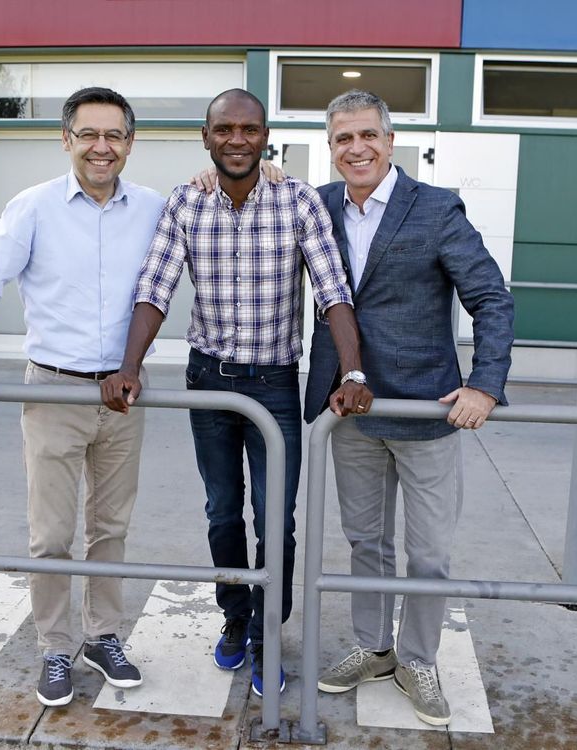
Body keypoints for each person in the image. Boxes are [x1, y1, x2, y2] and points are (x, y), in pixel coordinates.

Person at [100, 88, 371, 697]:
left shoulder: (298, 201)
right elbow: (155, 288)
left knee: (276, 520)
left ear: (265, 136)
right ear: (206, 136)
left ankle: (268, 634)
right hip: (209, 384)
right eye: (225, 130)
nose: (237, 140)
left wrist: (353, 371)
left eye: (249, 129)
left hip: (274, 385)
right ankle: (234, 618)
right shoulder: (186, 204)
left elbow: (333, 293)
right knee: (223, 512)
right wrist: (129, 366)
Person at [0, 87, 165, 709]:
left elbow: (215, 211)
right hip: (55, 391)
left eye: (114, 135)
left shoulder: (153, 207)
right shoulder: (33, 207)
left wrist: (272, 170)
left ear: (130, 143)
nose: (102, 147)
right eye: (89, 134)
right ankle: (54, 647)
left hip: (125, 393)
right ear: (66, 139)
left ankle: (103, 636)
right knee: (51, 534)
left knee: (112, 528)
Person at [305, 90, 515, 726]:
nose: (356, 148)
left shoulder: (436, 209)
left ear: (391, 141)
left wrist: (485, 383)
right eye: (343, 138)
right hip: (353, 410)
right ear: (332, 147)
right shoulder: (315, 205)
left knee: (428, 552)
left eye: (368, 135)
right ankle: (372, 645)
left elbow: (492, 299)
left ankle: (418, 658)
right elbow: (251, 197)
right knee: (364, 540)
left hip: (428, 411)